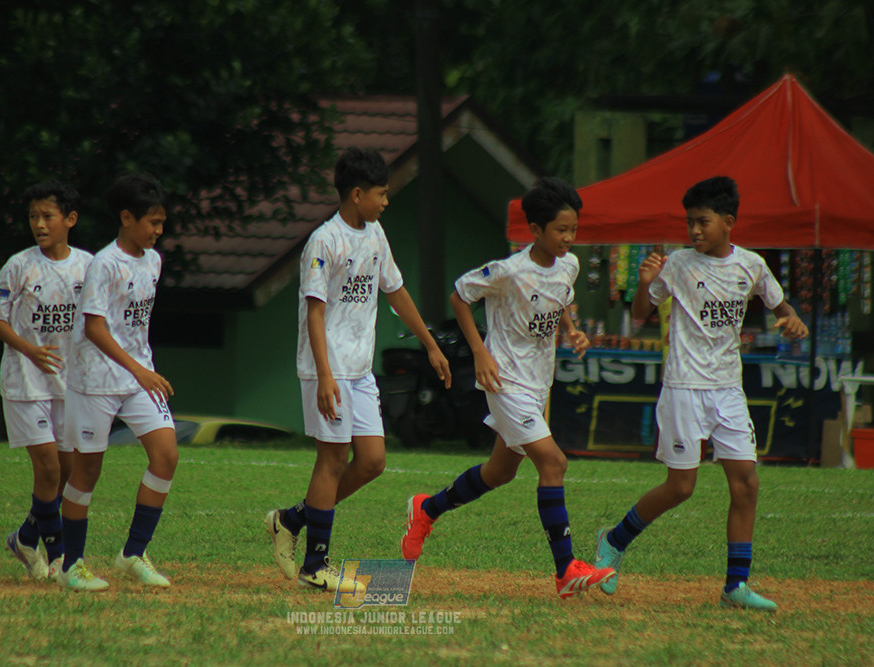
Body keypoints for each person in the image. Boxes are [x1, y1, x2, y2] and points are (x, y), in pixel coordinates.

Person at [594, 176, 809, 611]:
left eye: (703, 222)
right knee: (680, 487)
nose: (694, 231)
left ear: (728, 222)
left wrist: (792, 319)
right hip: (684, 388)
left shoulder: (751, 265)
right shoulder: (677, 265)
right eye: (690, 223)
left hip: (729, 389)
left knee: (746, 482)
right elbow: (638, 315)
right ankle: (614, 540)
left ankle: (736, 585)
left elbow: (780, 305)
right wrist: (644, 282)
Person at [400, 177, 616, 599]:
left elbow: (561, 298)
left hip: (538, 383)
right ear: (535, 230)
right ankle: (565, 570)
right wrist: (480, 352)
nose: (569, 238)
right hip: (505, 381)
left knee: (500, 471)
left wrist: (571, 330)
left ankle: (427, 510)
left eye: (573, 229)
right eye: (560, 230)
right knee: (553, 462)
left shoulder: (568, 264)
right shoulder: (509, 271)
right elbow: (460, 296)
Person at [265, 147, 451, 592]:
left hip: (360, 371)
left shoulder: (376, 234)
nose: (386, 202)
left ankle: (290, 520)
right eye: (381, 194)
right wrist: (325, 376)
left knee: (371, 461)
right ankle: (316, 564)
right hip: (325, 371)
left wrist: (430, 343)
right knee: (333, 460)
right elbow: (314, 314)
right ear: (355, 194)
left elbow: (397, 291)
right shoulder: (324, 242)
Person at [58, 172, 178, 592]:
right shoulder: (104, 264)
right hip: (95, 381)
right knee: (87, 470)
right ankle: (71, 564)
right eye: (153, 222)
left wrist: (141, 370)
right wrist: (139, 369)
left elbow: (133, 325)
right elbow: (94, 328)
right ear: (126, 218)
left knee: (166, 454)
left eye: (162, 223)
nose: (159, 231)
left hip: (135, 377)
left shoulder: (154, 260)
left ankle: (133, 554)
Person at [0, 181, 93, 581]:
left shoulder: (88, 265)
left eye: (48, 216)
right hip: (25, 381)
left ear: (70, 220)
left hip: (68, 383)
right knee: (48, 469)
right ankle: (61, 557)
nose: (39, 224)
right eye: (33, 216)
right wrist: (29, 349)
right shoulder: (19, 265)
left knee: (65, 471)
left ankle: (25, 537)